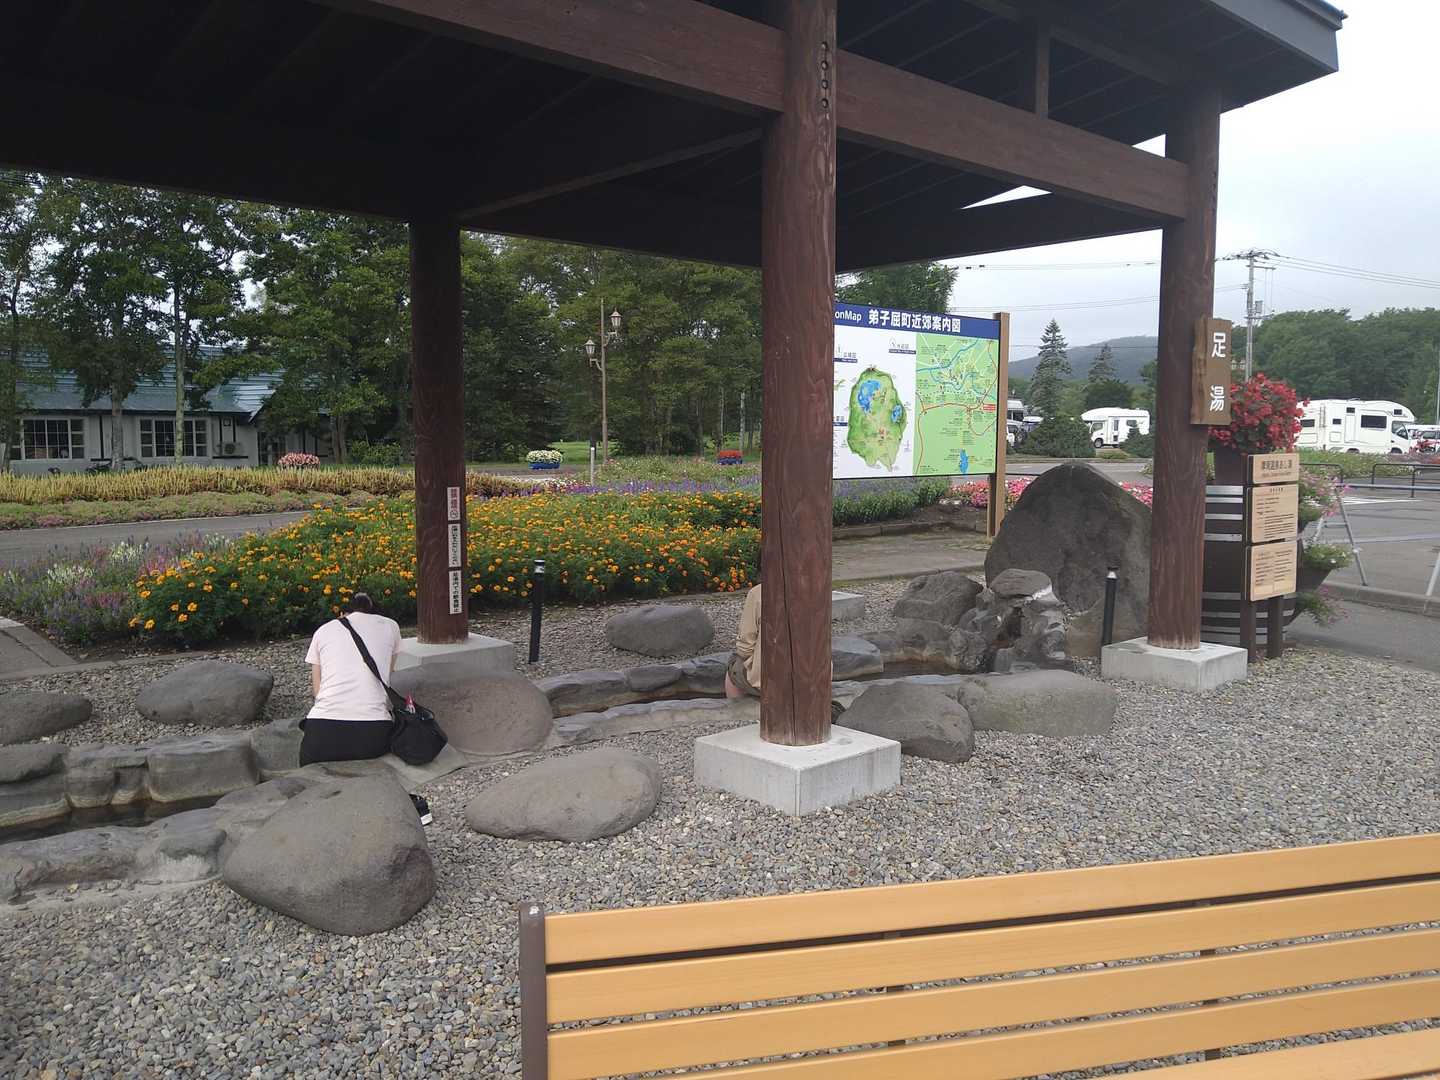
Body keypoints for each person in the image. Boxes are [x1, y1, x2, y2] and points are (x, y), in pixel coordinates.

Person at [302, 593, 432, 823]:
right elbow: (386, 676)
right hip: (371, 736)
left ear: (345, 613)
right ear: (376, 611)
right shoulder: (390, 626)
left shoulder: (324, 630)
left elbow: (317, 692)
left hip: (319, 738)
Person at [725, 579, 846, 719]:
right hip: (812, 682)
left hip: (771, 683)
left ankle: (740, 716)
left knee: (732, 667)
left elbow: (745, 647)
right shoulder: (816, 589)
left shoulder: (758, 593)